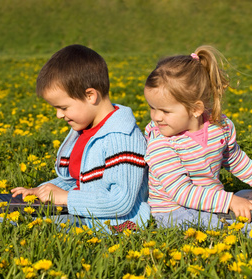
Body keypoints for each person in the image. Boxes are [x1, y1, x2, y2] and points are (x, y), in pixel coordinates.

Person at [11, 44, 150, 231]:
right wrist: (42, 190)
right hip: (83, 212)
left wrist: (66, 198)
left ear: (90, 95)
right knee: (18, 214)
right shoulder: (86, 130)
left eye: (63, 108)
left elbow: (121, 201)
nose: (59, 115)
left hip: (110, 223)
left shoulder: (122, 138)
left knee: (32, 226)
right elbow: (77, 181)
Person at [143, 45, 252, 232]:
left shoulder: (219, 127)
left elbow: (233, 157)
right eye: (152, 107)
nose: (156, 117)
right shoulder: (161, 144)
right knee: (225, 226)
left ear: (196, 109)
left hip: (211, 203)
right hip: (173, 212)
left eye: (165, 111)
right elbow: (182, 193)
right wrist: (229, 200)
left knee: (246, 212)